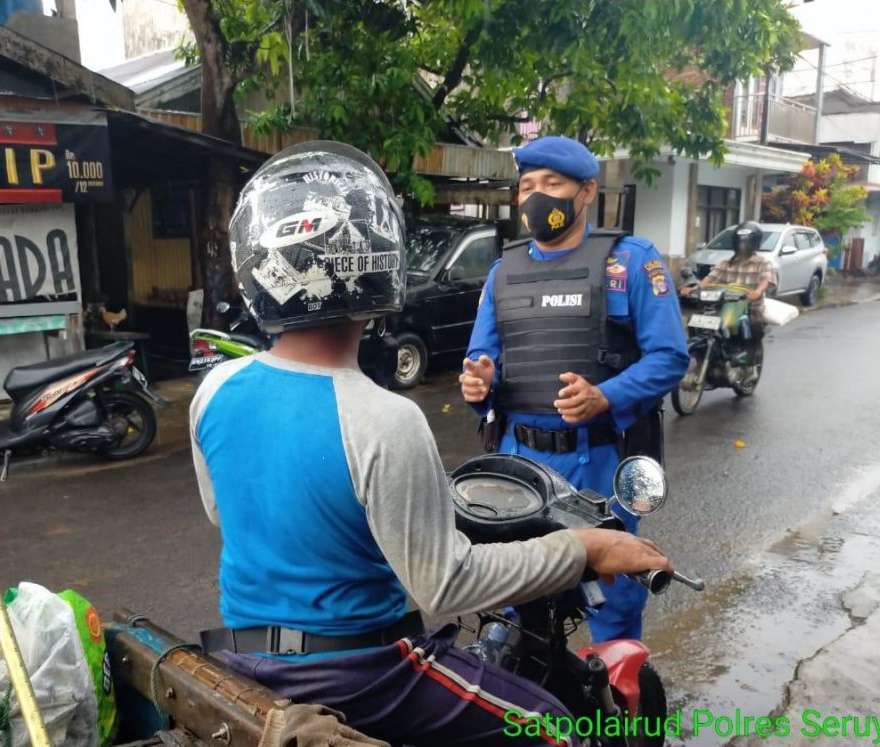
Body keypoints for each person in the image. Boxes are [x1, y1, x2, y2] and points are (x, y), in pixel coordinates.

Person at [190, 140, 673, 745]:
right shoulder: (385, 418)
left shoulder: (214, 388)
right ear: (378, 265)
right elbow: (444, 586)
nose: (535, 196)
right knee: (554, 727)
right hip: (363, 673)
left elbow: (225, 512)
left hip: (242, 651)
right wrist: (585, 549)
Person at [460, 135, 689, 643]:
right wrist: (480, 383)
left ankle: (619, 717)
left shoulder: (629, 263)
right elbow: (482, 362)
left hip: (601, 464)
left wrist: (607, 395)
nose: (536, 196)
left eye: (552, 183)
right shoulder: (503, 273)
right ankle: (520, 711)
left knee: (614, 605)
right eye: (526, 186)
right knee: (514, 602)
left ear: (586, 192)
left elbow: (671, 356)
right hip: (519, 462)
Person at [680, 221, 774, 356]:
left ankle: (747, 357)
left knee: (751, 326)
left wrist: (757, 292)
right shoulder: (725, 263)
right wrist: (693, 289)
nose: (743, 246)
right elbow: (710, 278)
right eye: (740, 242)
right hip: (723, 305)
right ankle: (703, 356)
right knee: (697, 322)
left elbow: (766, 280)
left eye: (747, 242)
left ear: (755, 243)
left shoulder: (763, 263)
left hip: (749, 307)